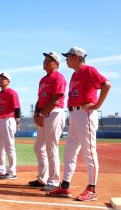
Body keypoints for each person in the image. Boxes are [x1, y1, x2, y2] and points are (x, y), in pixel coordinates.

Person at [47, 47, 111, 201]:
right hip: (74, 114)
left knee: (89, 152)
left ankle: (92, 189)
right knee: (69, 152)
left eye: (68, 57)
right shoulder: (75, 74)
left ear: (76, 57)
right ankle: (65, 187)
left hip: (85, 113)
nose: (66, 59)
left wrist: (96, 106)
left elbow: (106, 84)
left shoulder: (88, 70)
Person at [29, 52, 66, 191]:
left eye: (49, 60)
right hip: (45, 114)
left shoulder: (59, 77)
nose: (45, 61)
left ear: (56, 64)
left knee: (51, 148)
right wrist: (37, 113)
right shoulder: (43, 80)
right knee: (39, 147)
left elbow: (56, 98)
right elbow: (40, 99)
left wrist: (42, 113)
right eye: (44, 59)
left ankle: (54, 181)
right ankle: (42, 178)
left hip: (55, 113)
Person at [0, 72, 21, 180]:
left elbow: (17, 108)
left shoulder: (12, 93)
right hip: (0, 121)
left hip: (9, 120)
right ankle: (1, 170)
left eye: (3, 78)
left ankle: (12, 172)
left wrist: (17, 122)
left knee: (9, 147)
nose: (0, 80)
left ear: (8, 81)